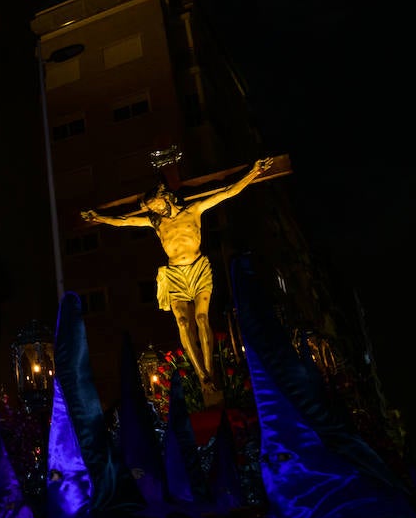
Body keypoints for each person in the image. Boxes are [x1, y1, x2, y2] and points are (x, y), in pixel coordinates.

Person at [81, 157, 273, 405]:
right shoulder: (156, 223)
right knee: (183, 322)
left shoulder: (193, 210)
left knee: (202, 318)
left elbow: (227, 191)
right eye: (153, 208)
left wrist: (254, 172)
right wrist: (99, 218)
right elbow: (125, 221)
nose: (156, 210)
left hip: (198, 269)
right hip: (174, 275)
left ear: (167, 197)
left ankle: (210, 369)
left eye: (157, 205)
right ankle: (201, 374)